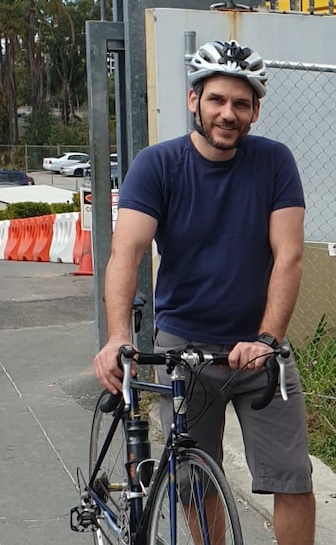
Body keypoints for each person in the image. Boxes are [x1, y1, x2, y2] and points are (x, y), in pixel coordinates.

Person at [93, 39, 315, 545]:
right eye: (216, 99)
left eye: (241, 103)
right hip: (184, 348)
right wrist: (117, 336)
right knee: (194, 480)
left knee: (292, 478)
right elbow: (127, 253)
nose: (227, 113)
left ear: (255, 110)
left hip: (258, 349)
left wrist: (267, 337)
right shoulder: (157, 165)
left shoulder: (275, 162)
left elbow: (289, 255)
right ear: (194, 100)